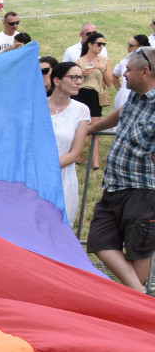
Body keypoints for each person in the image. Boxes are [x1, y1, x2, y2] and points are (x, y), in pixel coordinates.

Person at [85, 47, 155, 292]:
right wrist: (91, 129)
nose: (123, 73)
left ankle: (137, 306)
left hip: (144, 190)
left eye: (128, 69)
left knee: (139, 250)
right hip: (114, 184)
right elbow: (121, 113)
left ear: (145, 72)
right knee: (98, 240)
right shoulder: (136, 95)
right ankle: (142, 296)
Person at [48, 62, 90, 224]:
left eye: (80, 77)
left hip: (63, 178)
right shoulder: (38, 106)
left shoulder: (81, 110)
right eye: (73, 77)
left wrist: (48, 168)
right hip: (33, 176)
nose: (79, 81)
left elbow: (75, 153)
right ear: (57, 81)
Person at [74, 32, 113, 169]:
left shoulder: (104, 60)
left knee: (94, 129)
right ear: (90, 44)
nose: (101, 47)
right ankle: (77, 157)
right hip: (81, 95)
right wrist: (82, 74)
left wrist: (102, 69)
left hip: (95, 96)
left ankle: (95, 162)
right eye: (99, 44)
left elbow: (109, 83)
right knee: (79, 127)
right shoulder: (80, 61)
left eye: (103, 44)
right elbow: (74, 81)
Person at [114, 35, 150, 113]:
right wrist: (119, 89)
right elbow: (115, 75)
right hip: (122, 101)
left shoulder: (149, 64)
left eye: (131, 45)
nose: (128, 48)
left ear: (141, 47)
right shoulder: (125, 61)